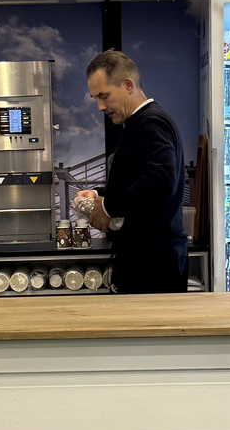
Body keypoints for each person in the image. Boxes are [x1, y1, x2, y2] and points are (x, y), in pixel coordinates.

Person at [79, 49, 187, 294]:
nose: (100, 107)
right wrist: (98, 194)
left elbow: (160, 181)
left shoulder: (149, 123)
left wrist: (108, 207)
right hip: (150, 258)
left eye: (104, 96)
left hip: (151, 263)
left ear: (128, 85)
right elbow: (139, 180)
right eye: (95, 98)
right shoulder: (145, 122)